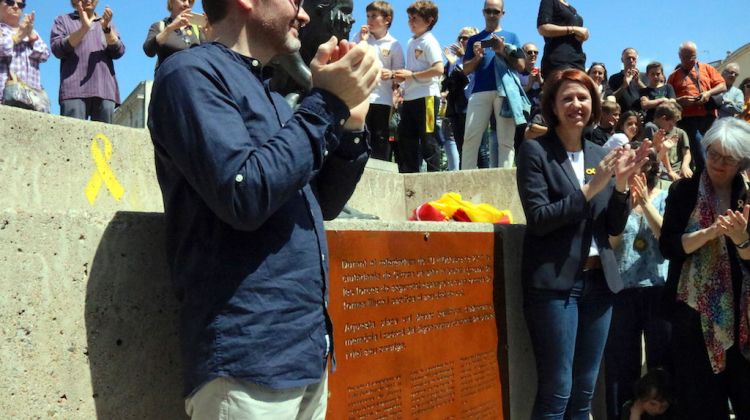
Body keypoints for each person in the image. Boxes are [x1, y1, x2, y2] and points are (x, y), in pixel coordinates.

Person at [147, 0, 381, 416]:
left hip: (306, 355)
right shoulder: (189, 73)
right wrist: (325, 103)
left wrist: (351, 123)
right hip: (246, 364)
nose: (305, 16)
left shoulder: (270, 94)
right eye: (296, 1)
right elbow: (244, 195)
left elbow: (321, 202)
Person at [516, 68, 649, 419]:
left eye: (583, 97)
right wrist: (592, 187)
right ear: (553, 107)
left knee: (584, 392)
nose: (577, 104)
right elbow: (541, 218)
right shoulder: (535, 152)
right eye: (567, 98)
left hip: (599, 284)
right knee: (557, 392)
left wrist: (620, 186)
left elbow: (611, 227)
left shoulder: (597, 156)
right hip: (556, 286)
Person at [659, 117, 750, 420]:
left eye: (728, 158)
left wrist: (740, 240)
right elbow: (669, 247)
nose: (718, 163)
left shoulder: (747, 197)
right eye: (713, 153)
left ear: (741, 162)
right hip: (692, 318)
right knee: (701, 405)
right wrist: (709, 233)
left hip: (742, 319)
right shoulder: (683, 192)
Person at [605, 151, 672, 420]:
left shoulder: (667, 197)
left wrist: (645, 204)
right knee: (622, 366)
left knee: (662, 363)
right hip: (622, 291)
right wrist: (624, 206)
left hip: (659, 289)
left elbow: (668, 241)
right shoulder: (616, 197)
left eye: (642, 168)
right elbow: (611, 243)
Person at [461, 0, 521, 169]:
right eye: (488, 11)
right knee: (470, 138)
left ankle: (505, 181)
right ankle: (465, 180)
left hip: (505, 91)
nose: (492, 15)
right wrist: (477, 57)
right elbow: (466, 69)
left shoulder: (512, 36)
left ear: (503, 13)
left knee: (506, 141)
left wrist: (502, 50)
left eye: (495, 11)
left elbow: (521, 66)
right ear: (483, 12)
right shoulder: (474, 39)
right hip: (480, 91)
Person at [50, 0, 125, 123]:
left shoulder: (105, 23)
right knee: (73, 138)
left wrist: (107, 29)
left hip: (105, 91)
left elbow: (119, 51)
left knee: (103, 139)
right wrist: (84, 28)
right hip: (73, 91)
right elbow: (57, 49)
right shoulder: (63, 20)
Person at [393, 0, 443, 173]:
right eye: (409, 18)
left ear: (429, 21)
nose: (410, 22)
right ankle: (411, 175)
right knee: (407, 138)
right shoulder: (411, 42)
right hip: (410, 97)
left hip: (428, 97)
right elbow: (412, 70)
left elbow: (438, 68)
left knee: (429, 138)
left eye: (415, 18)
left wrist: (412, 75)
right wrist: (400, 76)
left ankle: (434, 176)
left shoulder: (429, 41)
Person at [354, 1, 404, 162]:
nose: (369, 20)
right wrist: (362, 40)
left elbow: (401, 75)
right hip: (361, 96)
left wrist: (391, 74)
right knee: (360, 133)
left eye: (374, 16)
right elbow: (351, 58)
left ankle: (381, 169)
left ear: (387, 20)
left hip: (382, 99)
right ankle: (359, 167)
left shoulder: (394, 44)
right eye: (368, 16)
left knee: (380, 136)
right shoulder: (360, 37)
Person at [667, 41, 726, 172]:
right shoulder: (673, 76)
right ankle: (706, 179)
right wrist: (680, 101)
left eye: (692, 57)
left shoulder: (707, 69)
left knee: (714, 150)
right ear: (679, 56)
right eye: (686, 57)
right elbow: (669, 101)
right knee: (699, 151)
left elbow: (723, 85)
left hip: (709, 117)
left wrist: (708, 93)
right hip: (688, 120)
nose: (689, 60)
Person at [0, 0, 50, 111]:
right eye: (10, 2)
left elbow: (45, 54)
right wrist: (17, 37)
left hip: (32, 99)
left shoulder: (32, 32)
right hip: (3, 98)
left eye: (20, 4)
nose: (15, 6)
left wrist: (31, 35)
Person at [442, 26, 478, 169]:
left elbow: (471, 77)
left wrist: (464, 56)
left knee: (476, 146)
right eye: (460, 38)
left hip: (470, 104)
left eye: (466, 37)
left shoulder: (477, 57)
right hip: (455, 106)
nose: (462, 40)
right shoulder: (454, 60)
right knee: (460, 145)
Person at [143, 0, 206, 70]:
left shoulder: (197, 29)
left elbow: (207, 56)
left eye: (190, 1)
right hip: (168, 78)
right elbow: (149, 51)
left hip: (195, 78)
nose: (187, 4)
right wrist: (171, 27)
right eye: (183, 0)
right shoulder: (160, 26)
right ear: (171, 2)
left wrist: (210, 33)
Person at [536, 0, 588, 80]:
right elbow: (543, 28)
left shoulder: (572, 9)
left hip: (577, 60)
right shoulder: (549, 1)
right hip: (560, 61)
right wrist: (573, 29)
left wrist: (583, 36)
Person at [643, 102, 691, 183]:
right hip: (660, 171)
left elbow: (687, 153)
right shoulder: (651, 128)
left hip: (677, 171)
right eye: (670, 125)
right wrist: (670, 171)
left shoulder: (680, 133)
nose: (672, 127)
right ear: (663, 118)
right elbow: (660, 150)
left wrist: (685, 166)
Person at [609, 48, 648, 114]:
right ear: (622, 60)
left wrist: (639, 83)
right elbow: (610, 99)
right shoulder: (614, 78)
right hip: (622, 117)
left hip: (642, 117)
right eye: (628, 58)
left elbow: (652, 95)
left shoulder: (646, 76)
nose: (631, 60)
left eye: (633, 58)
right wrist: (624, 86)